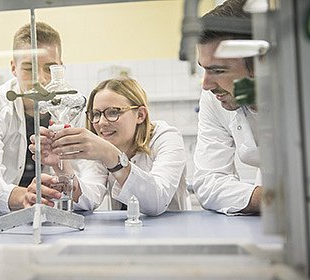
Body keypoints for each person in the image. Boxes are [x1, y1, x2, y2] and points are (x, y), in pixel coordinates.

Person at [0, 22, 100, 213]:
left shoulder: (74, 111)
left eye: (49, 68)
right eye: (29, 68)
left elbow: (92, 191)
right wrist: (25, 196)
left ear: (60, 68)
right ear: (14, 67)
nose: (41, 80)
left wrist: (67, 180)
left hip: (54, 218)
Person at [28, 78, 191, 216]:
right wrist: (60, 166)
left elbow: (157, 201)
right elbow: (88, 198)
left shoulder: (166, 137)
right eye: (96, 114)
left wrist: (111, 156)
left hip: (171, 236)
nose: (101, 123)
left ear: (140, 115)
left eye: (113, 112)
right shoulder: (104, 146)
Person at [193, 0, 262, 215]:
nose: (206, 85)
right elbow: (208, 181)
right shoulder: (217, 99)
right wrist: (269, 198)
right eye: (204, 69)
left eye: (219, 71)